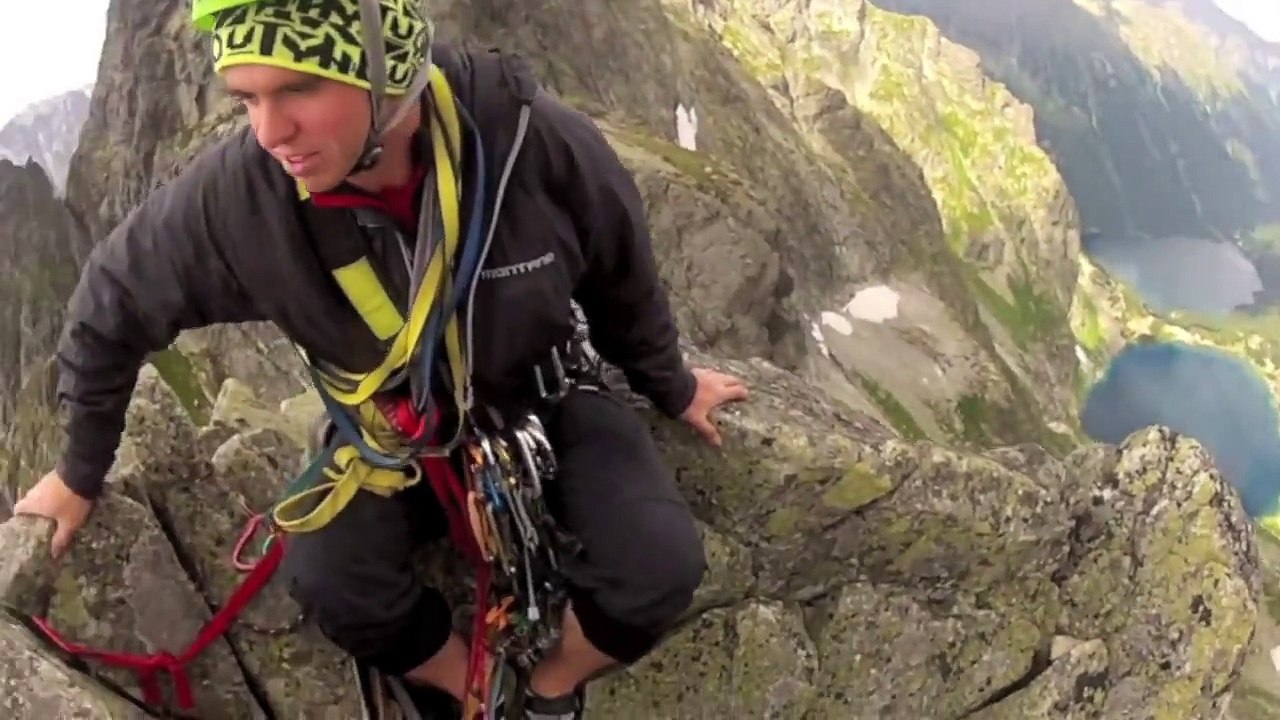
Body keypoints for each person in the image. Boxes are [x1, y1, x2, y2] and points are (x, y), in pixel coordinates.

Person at [12, 0, 749, 718]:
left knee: (656, 569)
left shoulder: (528, 146)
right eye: (247, 99)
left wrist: (670, 383)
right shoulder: (246, 200)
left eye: (300, 88)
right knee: (334, 581)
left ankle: (553, 686)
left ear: (385, 77)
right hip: (392, 428)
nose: (271, 131)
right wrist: (81, 472)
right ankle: (474, 688)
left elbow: (622, 272)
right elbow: (111, 302)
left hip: (544, 397)